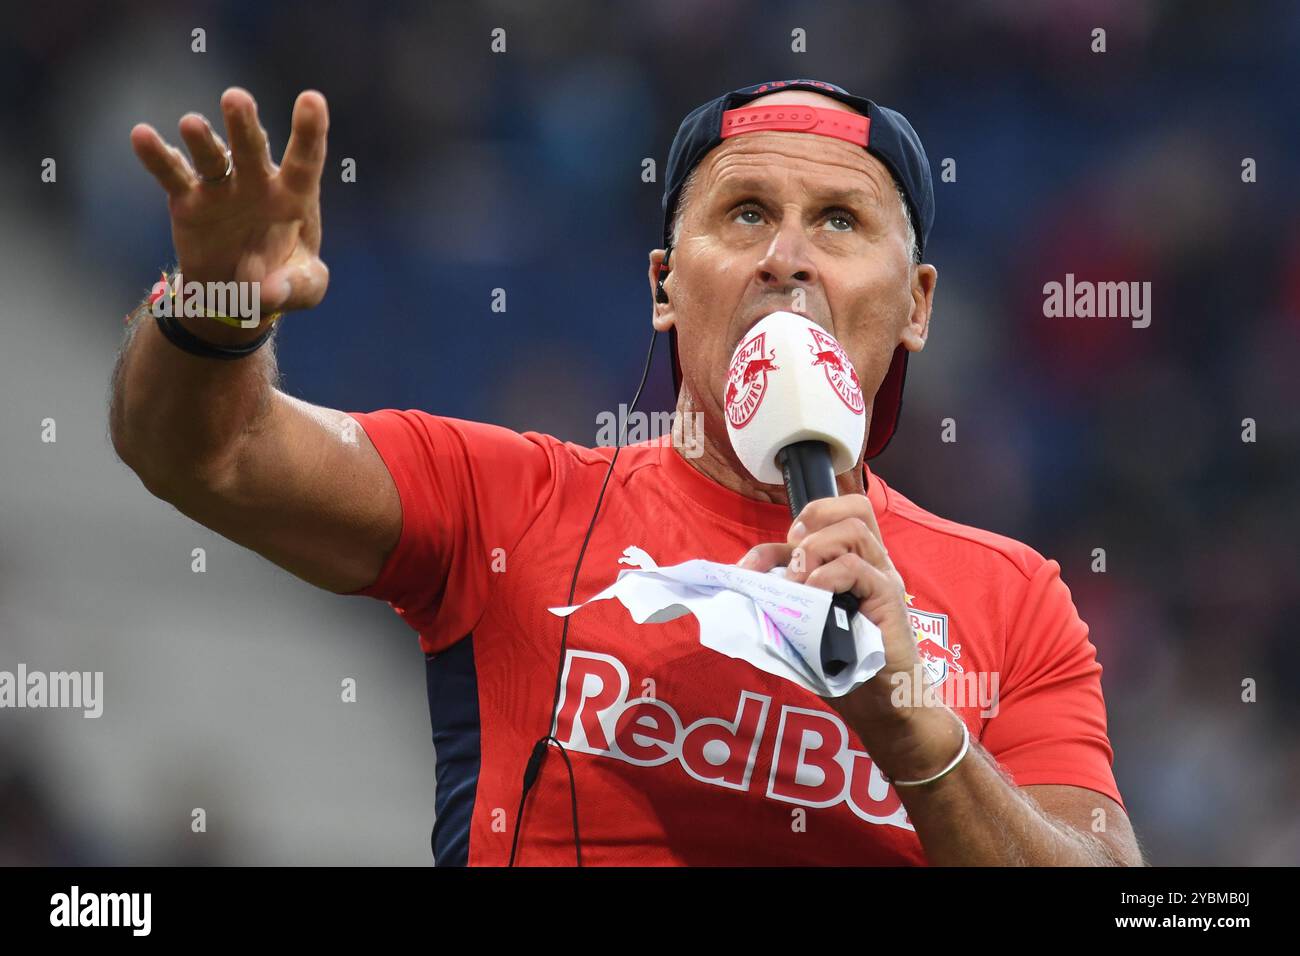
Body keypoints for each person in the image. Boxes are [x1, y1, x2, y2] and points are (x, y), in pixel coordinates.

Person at [111, 79, 1144, 866]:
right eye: (744, 212)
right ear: (663, 283)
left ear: (916, 302)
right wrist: (214, 307)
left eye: (839, 219)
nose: (787, 255)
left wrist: (920, 730)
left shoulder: (1015, 603)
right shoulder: (508, 502)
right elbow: (212, 452)